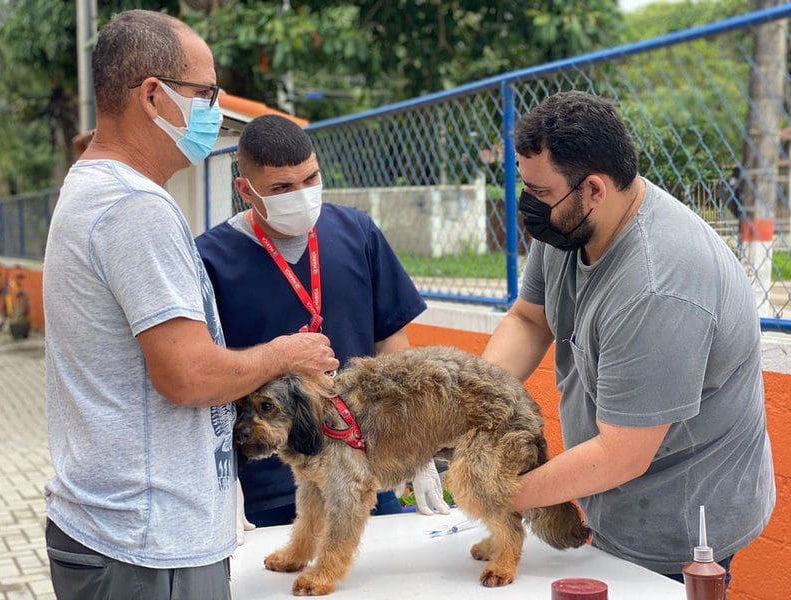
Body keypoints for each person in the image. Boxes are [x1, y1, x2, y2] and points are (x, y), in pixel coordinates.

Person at [42, 11, 338, 600]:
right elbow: (187, 374)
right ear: (154, 95)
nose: (215, 109)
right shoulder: (134, 210)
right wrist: (286, 353)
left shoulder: (94, 190)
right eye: (205, 93)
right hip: (148, 549)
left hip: (118, 530)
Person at [482, 91, 775, 589]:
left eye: (539, 192)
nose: (527, 204)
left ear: (594, 188)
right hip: (612, 498)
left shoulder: (659, 285)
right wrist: (468, 403)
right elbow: (530, 321)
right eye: (522, 185)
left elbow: (622, 454)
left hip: (679, 527)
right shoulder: (570, 223)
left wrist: (492, 492)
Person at [196, 115, 450, 526]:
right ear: (245, 190)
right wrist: (224, 477)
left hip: (364, 472)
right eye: (281, 189)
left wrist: (415, 446)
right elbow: (206, 374)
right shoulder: (211, 260)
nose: (300, 195)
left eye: (310, 179)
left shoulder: (358, 233)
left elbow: (392, 345)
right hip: (266, 486)